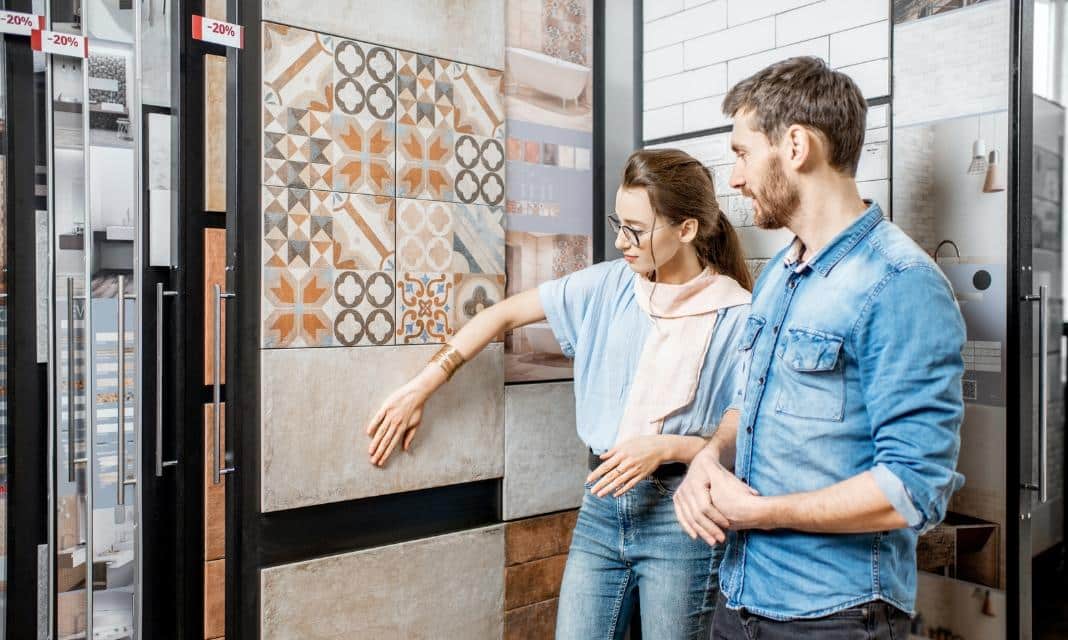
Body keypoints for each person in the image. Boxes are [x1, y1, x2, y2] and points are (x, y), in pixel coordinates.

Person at [366, 148, 752, 639]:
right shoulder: (609, 286)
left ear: (687, 230)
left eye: (636, 229)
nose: (620, 241)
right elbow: (501, 315)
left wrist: (669, 447)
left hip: (683, 514)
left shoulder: (737, 314)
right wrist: (420, 387)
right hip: (601, 506)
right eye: (620, 222)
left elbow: (745, 433)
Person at [671, 56, 967, 639]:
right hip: (740, 599)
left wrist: (762, 513)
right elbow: (745, 407)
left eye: (741, 153)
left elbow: (911, 488)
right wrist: (708, 459)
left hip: (836, 619)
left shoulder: (900, 282)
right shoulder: (781, 272)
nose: (734, 179)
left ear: (797, 146)